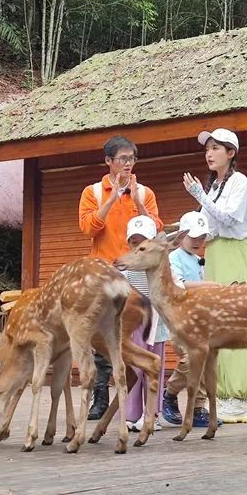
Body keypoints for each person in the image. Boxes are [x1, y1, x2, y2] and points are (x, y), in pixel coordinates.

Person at [79, 135, 162, 420]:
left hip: (137, 273)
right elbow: (88, 228)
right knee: (100, 335)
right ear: (108, 161)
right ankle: (100, 396)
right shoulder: (93, 191)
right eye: (123, 158)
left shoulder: (145, 192)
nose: (128, 164)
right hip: (104, 273)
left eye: (132, 158)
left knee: (134, 334)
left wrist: (137, 201)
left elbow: (155, 229)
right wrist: (112, 198)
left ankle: (135, 403)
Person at [182, 128, 247, 424]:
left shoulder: (239, 181)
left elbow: (228, 218)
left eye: (215, 148)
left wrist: (199, 194)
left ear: (231, 153)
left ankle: (238, 400)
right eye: (207, 149)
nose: (209, 154)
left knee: (237, 323)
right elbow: (204, 225)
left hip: (234, 252)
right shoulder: (213, 186)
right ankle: (221, 396)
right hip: (214, 253)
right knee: (217, 326)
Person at [162, 211, 221, 427]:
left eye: (202, 237)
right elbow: (178, 285)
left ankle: (198, 408)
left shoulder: (199, 261)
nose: (198, 241)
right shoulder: (172, 258)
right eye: (193, 237)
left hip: (200, 319)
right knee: (191, 358)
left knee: (204, 360)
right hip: (179, 319)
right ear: (181, 236)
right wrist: (211, 286)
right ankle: (169, 393)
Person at [120, 215, 167, 432]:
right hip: (133, 324)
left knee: (154, 366)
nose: (138, 247)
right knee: (134, 366)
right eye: (134, 242)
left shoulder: (160, 267)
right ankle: (130, 414)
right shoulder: (124, 269)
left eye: (143, 243)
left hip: (157, 322)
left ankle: (152, 414)